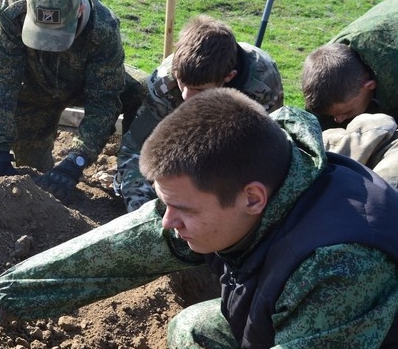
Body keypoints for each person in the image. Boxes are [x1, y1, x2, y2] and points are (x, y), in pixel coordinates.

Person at [0, 88, 398, 349]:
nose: (166, 223)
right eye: (164, 204)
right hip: (314, 327)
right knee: (192, 329)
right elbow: (125, 245)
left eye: (183, 210)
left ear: (252, 199)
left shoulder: (341, 263)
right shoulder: (265, 174)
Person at [0, 0, 138, 202]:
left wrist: (77, 160)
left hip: (82, 84)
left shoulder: (103, 27)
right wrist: (0, 149)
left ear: (80, 11)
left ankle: (135, 178)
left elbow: (103, 100)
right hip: (35, 91)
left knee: (141, 90)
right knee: (38, 180)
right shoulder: (10, 8)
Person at [113, 15, 283, 213]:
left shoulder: (263, 84)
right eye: (182, 84)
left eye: (200, 90)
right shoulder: (164, 82)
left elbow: (268, 155)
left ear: (228, 78)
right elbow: (133, 150)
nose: (186, 97)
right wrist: (142, 210)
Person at [300, 0, 398, 187]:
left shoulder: (393, 69)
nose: (339, 119)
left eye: (345, 112)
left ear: (369, 85)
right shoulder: (329, 67)